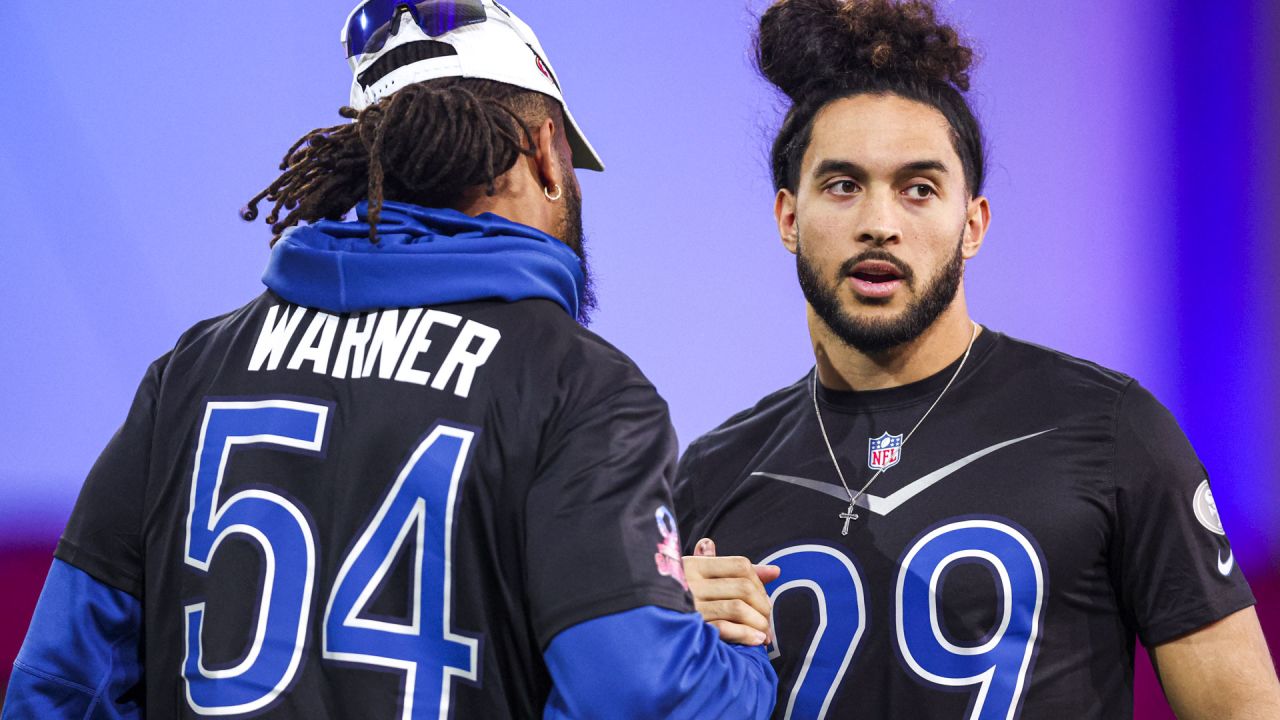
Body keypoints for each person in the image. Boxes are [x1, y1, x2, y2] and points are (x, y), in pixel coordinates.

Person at [1, 1, 777, 718]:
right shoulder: (579, 387)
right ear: (547, 153)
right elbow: (638, 698)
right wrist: (733, 654)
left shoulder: (192, 372)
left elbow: (59, 683)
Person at [676, 0, 1280, 718]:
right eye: (842, 186)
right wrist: (665, 634)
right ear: (787, 218)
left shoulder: (1111, 430)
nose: (879, 224)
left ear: (973, 225)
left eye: (918, 189)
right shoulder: (712, 475)